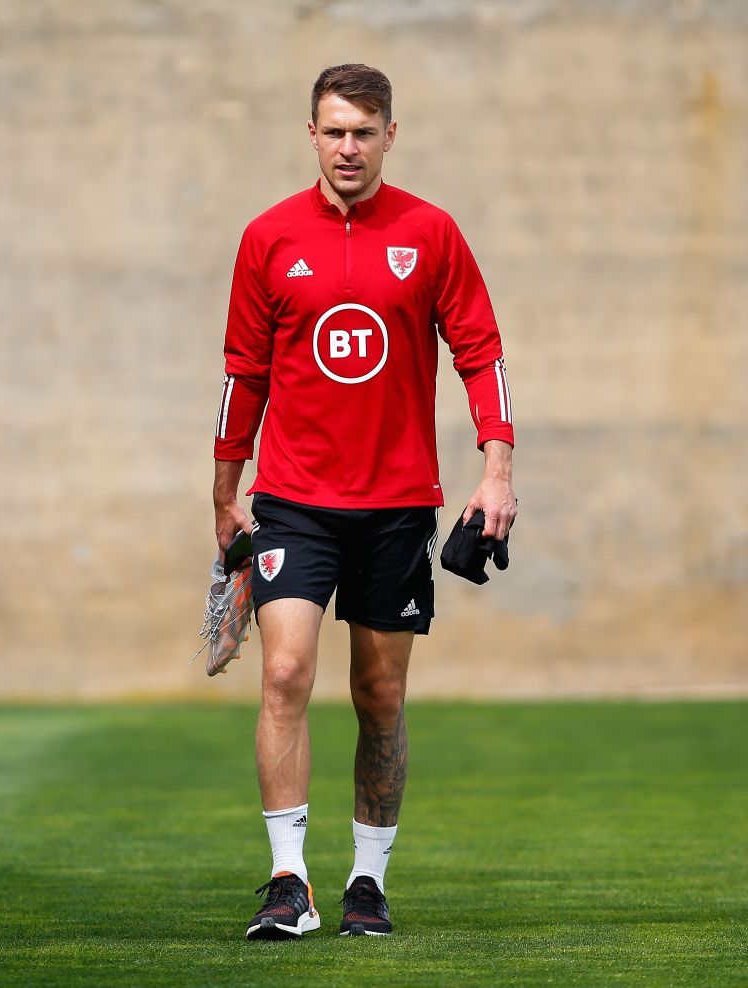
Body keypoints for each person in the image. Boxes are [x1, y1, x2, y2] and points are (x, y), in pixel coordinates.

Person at [213, 63, 517, 940]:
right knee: (283, 674)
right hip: (294, 501)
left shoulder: (431, 233)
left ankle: (368, 883)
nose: (348, 146)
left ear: (390, 134)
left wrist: (496, 469)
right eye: (334, 130)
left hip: (395, 507)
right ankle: (287, 883)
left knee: (379, 695)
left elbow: (480, 351)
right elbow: (242, 373)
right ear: (311, 135)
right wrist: (224, 495)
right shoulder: (268, 237)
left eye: (364, 131)